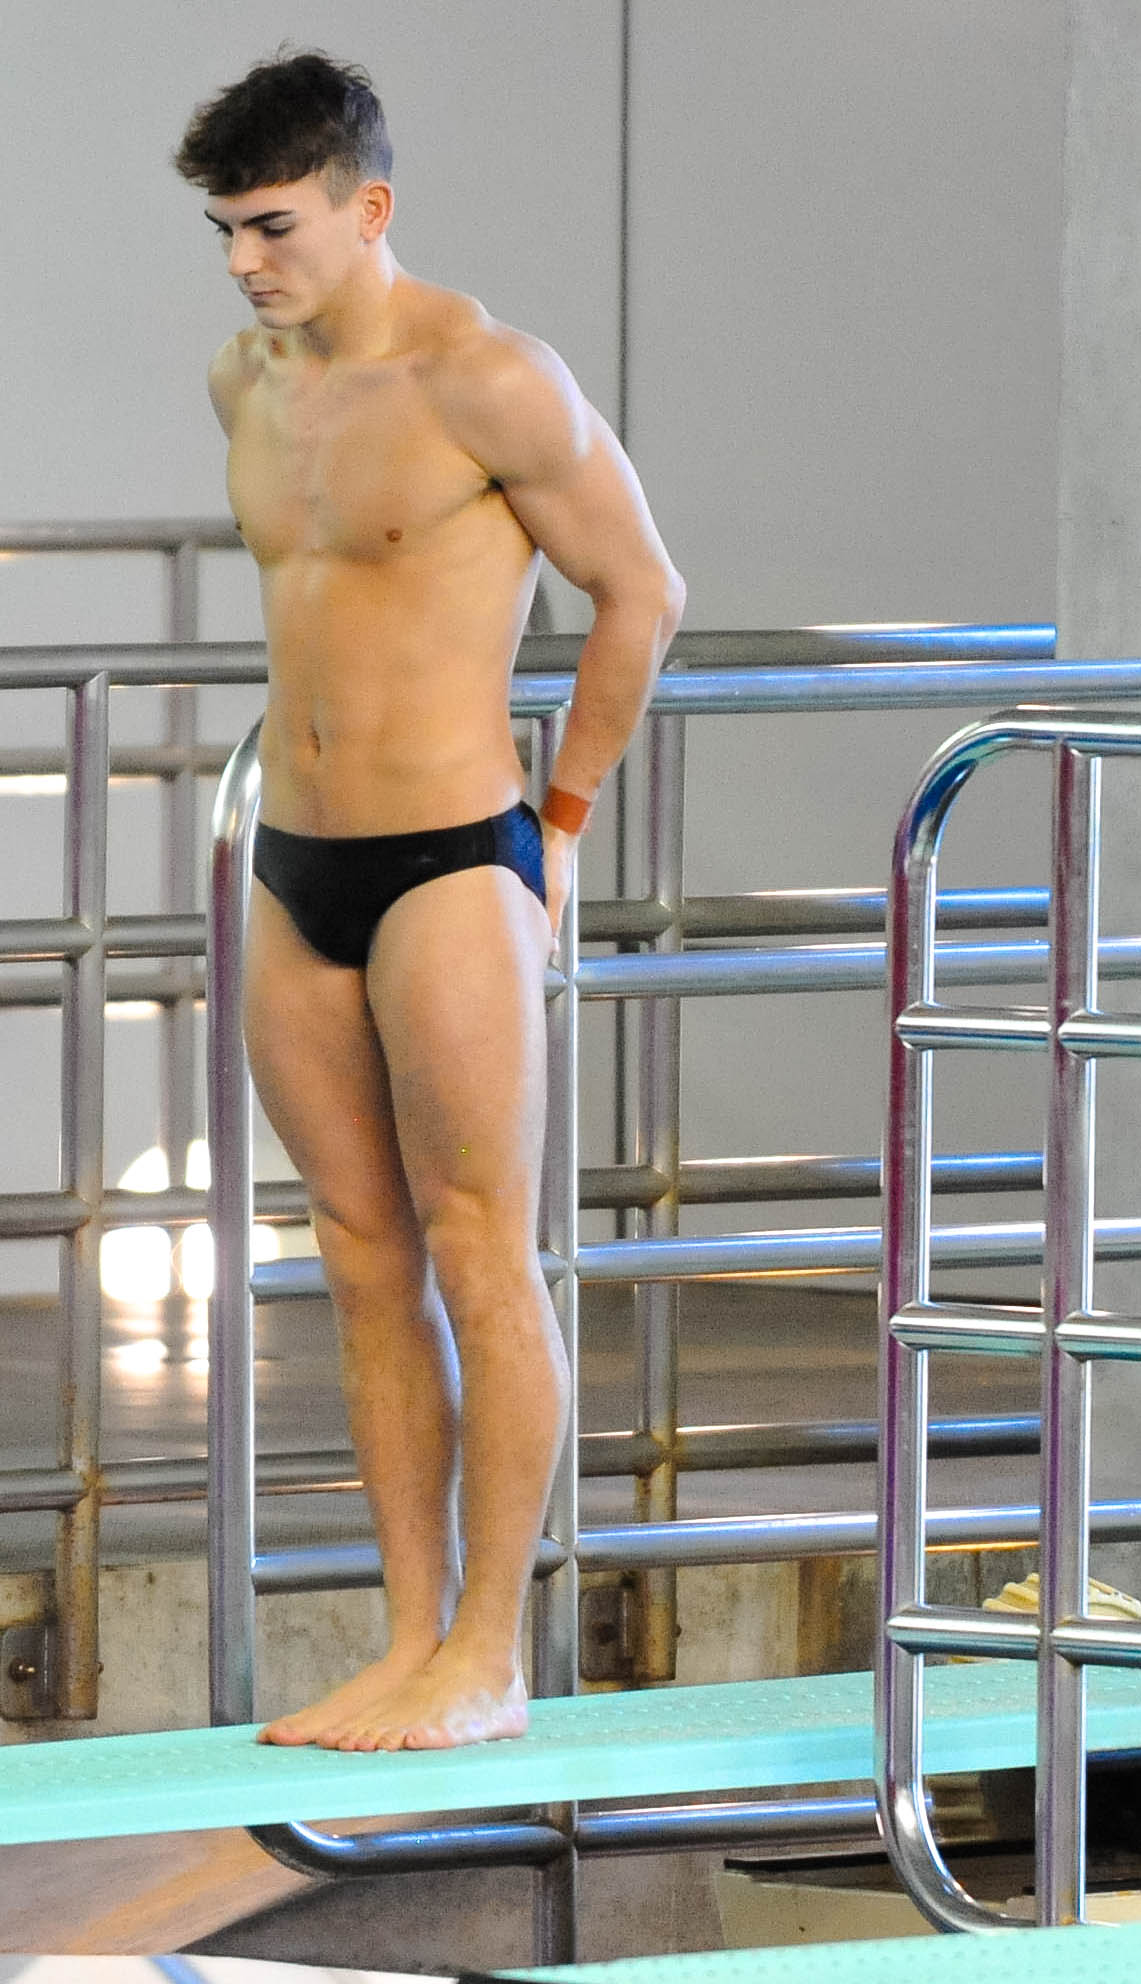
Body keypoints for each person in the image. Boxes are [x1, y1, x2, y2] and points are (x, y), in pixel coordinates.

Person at [180, 51, 684, 1750]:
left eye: (272, 225)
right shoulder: (243, 384)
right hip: (294, 862)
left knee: (478, 1248)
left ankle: (490, 1654)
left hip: (453, 860)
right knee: (356, 1253)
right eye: (223, 230)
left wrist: (561, 820)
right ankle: (407, 1640)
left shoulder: (489, 379)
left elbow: (640, 592)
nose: (244, 261)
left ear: (366, 207)